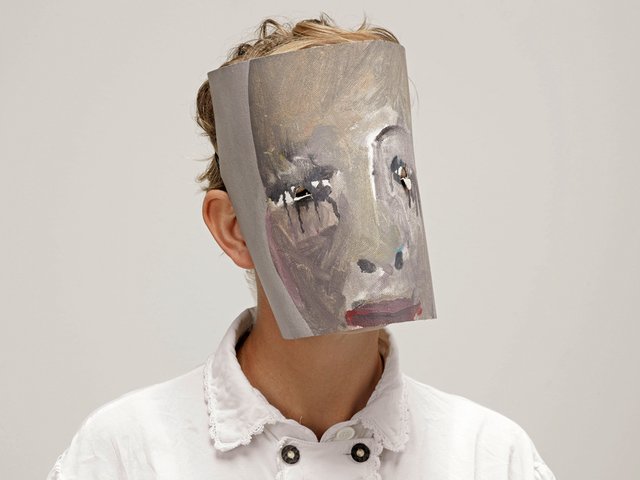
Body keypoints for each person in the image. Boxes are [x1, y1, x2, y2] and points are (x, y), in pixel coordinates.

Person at [46, 14, 556, 480]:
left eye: (396, 172)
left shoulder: (490, 457)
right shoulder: (126, 455)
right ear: (234, 230)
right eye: (311, 191)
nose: (380, 246)